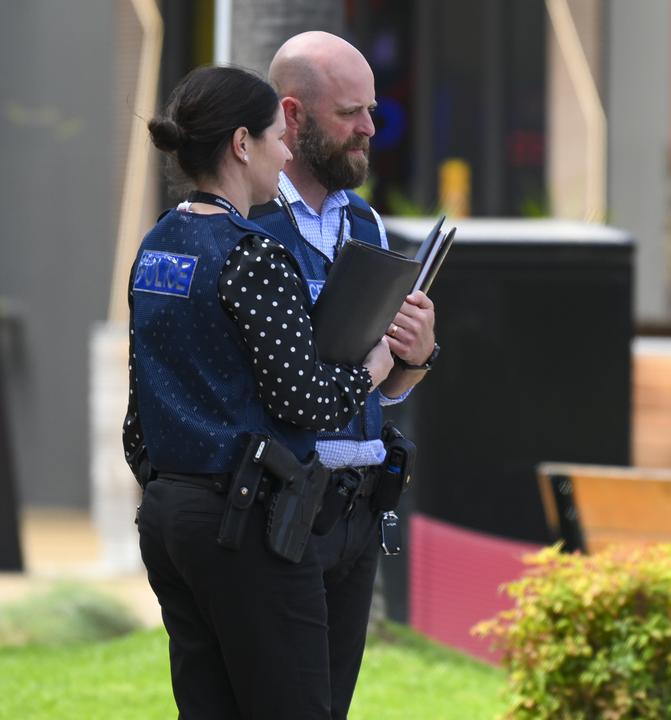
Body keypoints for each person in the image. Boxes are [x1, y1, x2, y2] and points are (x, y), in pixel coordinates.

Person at [126, 65, 394, 718]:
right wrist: (373, 370)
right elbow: (302, 403)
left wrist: (168, 482)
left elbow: (141, 409)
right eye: (277, 137)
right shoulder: (253, 254)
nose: (284, 153)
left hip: (169, 514)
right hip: (245, 523)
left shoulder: (158, 244)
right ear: (241, 144)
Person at [250, 31, 438, 718]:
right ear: (292, 117)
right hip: (282, 508)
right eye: (350, 113)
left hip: (356, 512)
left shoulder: (365, 222)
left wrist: (416, 354)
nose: (369, 128)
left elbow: (386, 387)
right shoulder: (246, 221)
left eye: (373, 110)